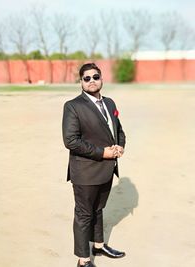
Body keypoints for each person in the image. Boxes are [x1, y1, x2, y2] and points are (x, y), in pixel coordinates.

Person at [62, 63, 126, 267]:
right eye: (86, 78)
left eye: (95, 77)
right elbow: (70, 141)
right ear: (80, 82)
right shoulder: (73, 106)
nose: (91, 81)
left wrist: (119, 147)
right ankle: (83, 260)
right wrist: (103, 152)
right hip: (85, 171)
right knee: (84, 214)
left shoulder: (110, 103)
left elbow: (119, 130)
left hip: (107, 170)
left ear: (101, 79)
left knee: (98, 209)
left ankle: (99, 245)